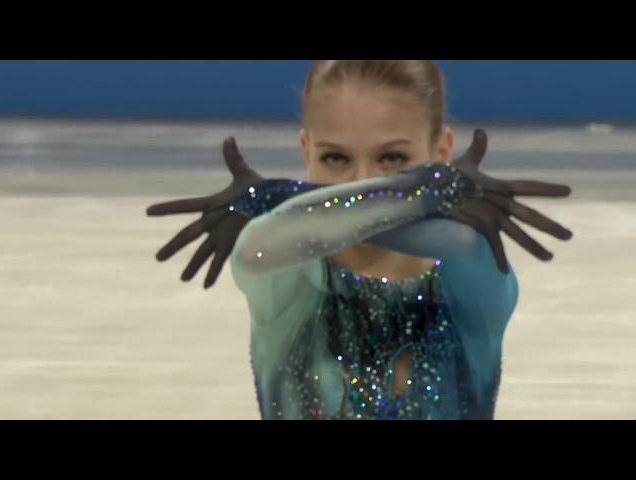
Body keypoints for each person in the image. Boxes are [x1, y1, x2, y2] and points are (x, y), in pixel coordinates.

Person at [147, 60, 573, 419]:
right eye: (336, 158)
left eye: (393, 159)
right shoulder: (287, 276)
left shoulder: (470, 276)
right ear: (305, 150)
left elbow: (459, 242)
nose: (362, 180)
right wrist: (430, 189)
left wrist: (274, 196)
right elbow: (259, 248)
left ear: (441, 150)